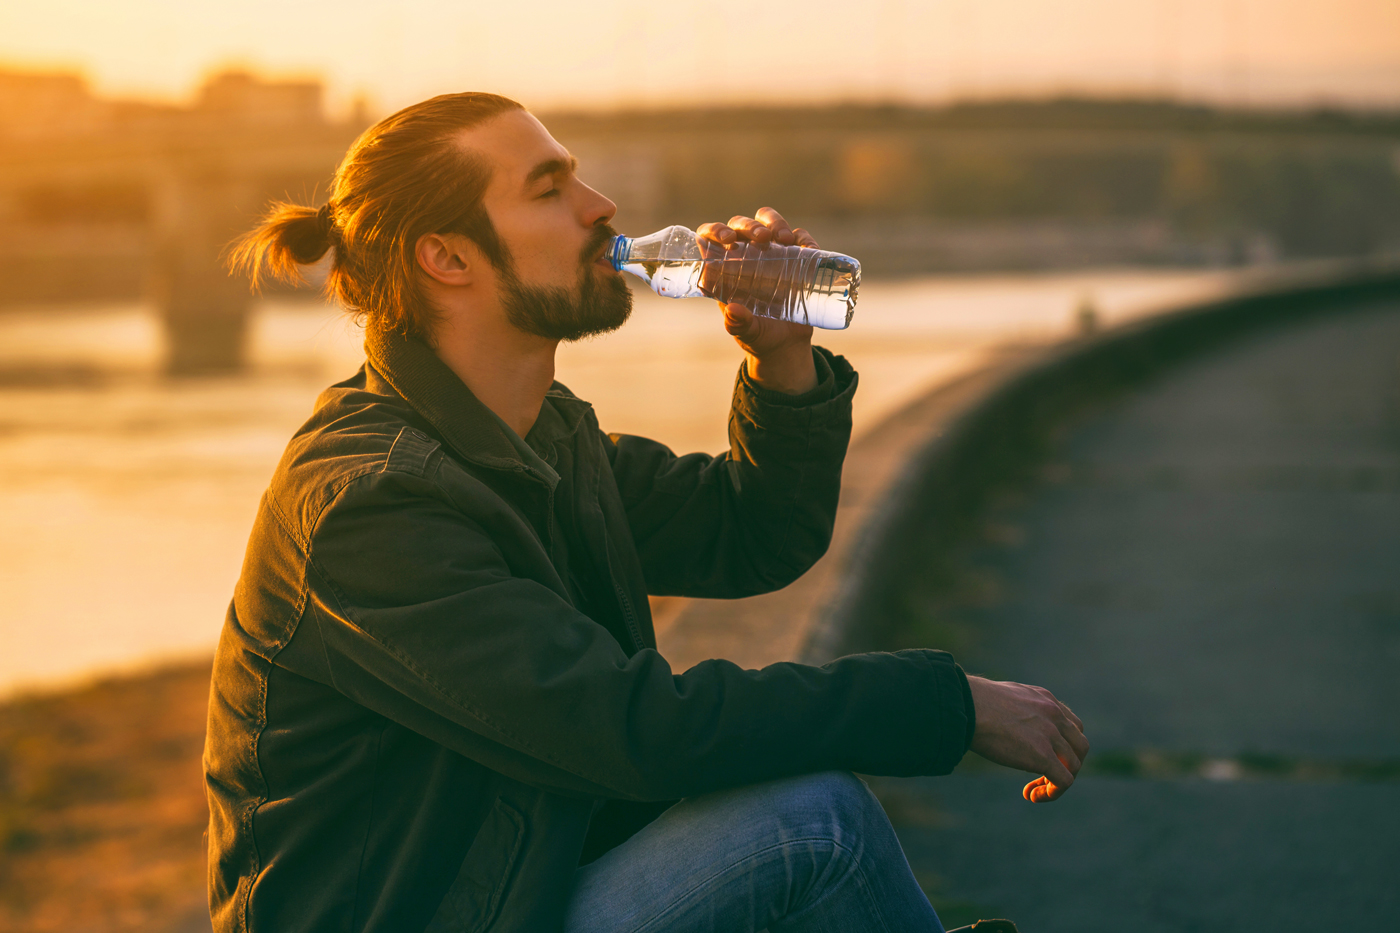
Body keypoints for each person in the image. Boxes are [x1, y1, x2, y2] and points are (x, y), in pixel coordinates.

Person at [205, 91, 1089, 933]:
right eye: (549, 189)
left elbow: (751, 534)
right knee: (813, 825)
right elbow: (633, 731)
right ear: (449, 257)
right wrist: (946, 704)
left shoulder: (538, 439)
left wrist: (781, 358)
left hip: (515, 889)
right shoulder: (371, 503)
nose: (601, 206)